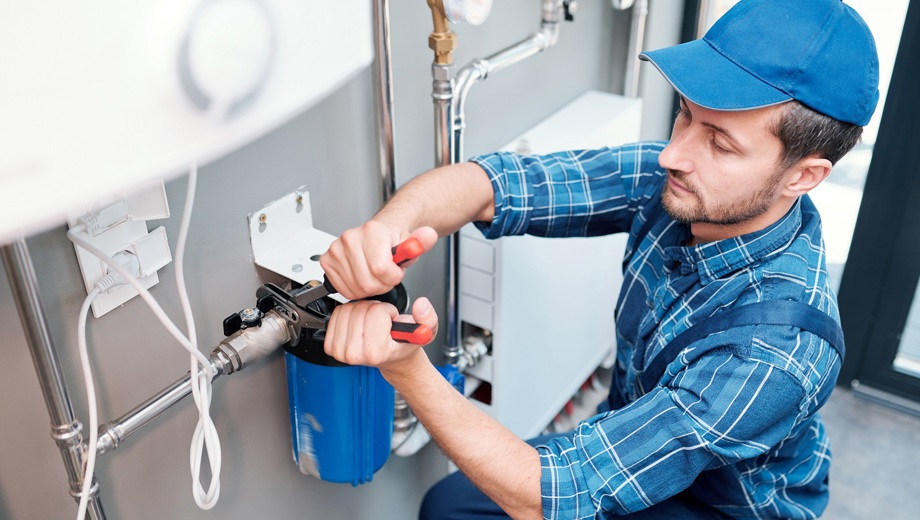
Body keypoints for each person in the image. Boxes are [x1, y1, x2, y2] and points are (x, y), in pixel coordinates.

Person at [319, 0, 879, 518]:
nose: (673, 153)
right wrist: (389, 228)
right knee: (451, 507)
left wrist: (406, 368)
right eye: (685, 115)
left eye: (720, 143)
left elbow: (547, 497)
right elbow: (495, 184)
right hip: (647, 434)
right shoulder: (680, 183)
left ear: (803, 176)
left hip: (724, 507)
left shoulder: (778, 350)